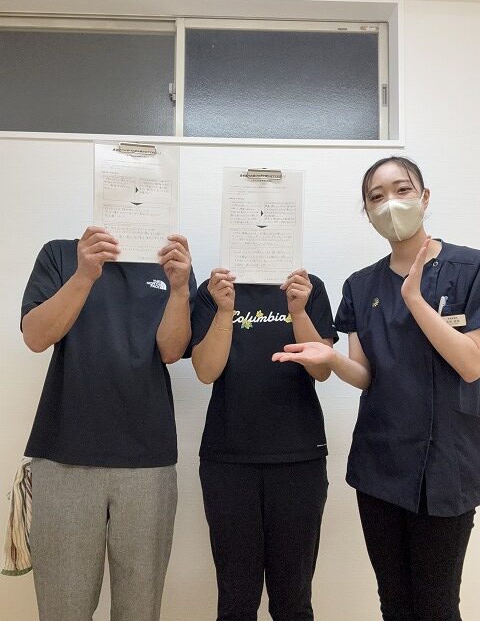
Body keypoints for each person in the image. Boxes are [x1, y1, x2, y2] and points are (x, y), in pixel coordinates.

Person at [273, 156, 480, 621]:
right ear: (367, 213)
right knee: (394, 603)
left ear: (424, 197)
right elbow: (366, 375)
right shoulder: (361, 284)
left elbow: (471, 365)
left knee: (437, 606)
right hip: (380, 463)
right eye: (376, 196)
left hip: (446, 464)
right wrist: (331, 360)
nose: (390, 203)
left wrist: (414, 299)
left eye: (402, 190)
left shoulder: (471, 268)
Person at [21, 227, 196, 621]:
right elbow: (35, 336)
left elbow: (171, 351)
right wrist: (84, 274)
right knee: (63, 609)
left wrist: (180, 290)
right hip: (64, 455)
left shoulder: (170, 261)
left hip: (148, 460)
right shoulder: (61, 253)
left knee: (140, 610)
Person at [190, 266, 338, 621]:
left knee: (293, 602)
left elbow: (322, 370)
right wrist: (225, 310)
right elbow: (206, 371)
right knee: (236, 602)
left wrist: (298, 312)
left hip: (298, 459)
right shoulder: (214, 290)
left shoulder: (308, 287)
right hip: (229, 461)